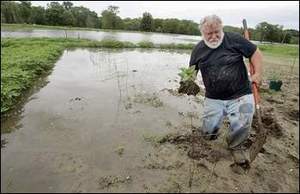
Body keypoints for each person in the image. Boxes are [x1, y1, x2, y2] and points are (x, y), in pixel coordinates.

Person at [189, 15, 263, 163]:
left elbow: (255, 53)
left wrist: (258, 74)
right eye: (209, 34)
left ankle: (236, 146)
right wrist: (188, 82)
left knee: (243, 120)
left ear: (221, 28)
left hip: (240, 93)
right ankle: (211, 132)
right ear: (203, 34)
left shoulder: (234, 39)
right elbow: (191, 72)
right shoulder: (198, 50)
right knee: (209, 133)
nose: (214, 36)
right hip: (213, 97)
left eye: (217, 31)